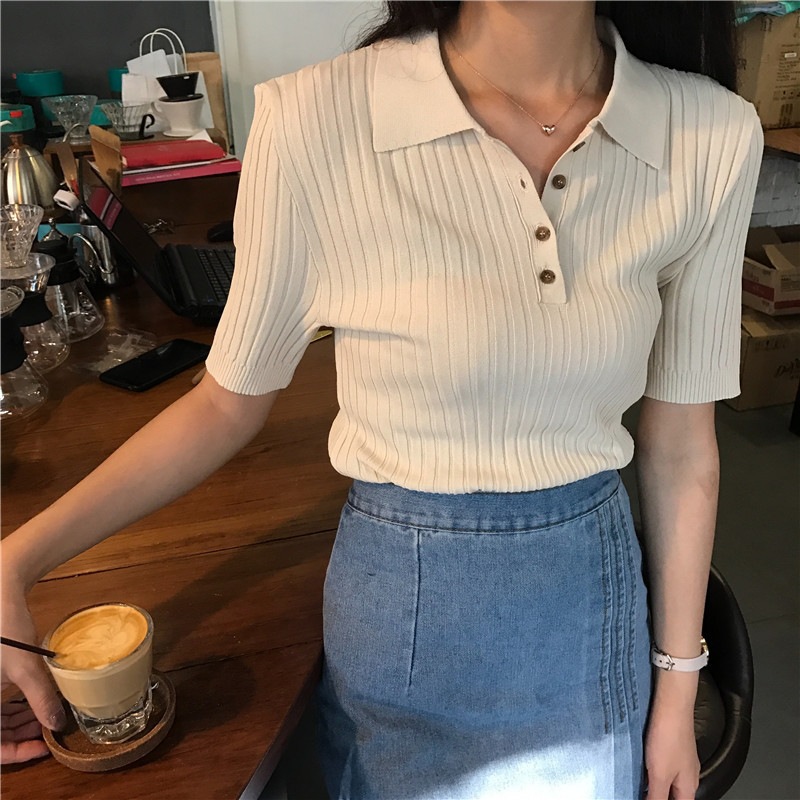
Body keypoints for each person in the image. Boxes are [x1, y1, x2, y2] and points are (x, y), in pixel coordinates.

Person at [1, 1, 762, 798]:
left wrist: (676, 687)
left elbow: (682, 445)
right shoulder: (314, 118)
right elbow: (224, 403)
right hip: (397, 613)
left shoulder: (710, 134)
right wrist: (17, 561)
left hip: (583, 611)